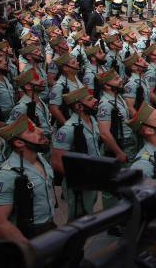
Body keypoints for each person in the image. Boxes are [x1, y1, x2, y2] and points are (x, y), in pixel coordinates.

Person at [0, 115, 55, 242]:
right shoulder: (5, 176)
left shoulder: (40, 159)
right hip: (28, 236)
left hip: (48, 227)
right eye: (32, 130)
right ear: (19, 143)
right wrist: (27, 248)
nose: (40, 131)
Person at [51, 86, 102, 221]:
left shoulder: (92, 120)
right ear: (79, 106)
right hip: (79, 184)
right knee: (77, 220)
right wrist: (79, 178)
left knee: (88, 214)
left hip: (92, 178)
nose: (95, 100)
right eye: (90, 99)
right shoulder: (67, 129)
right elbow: (56, 161)